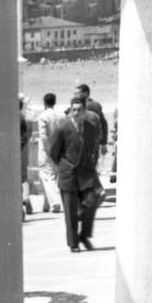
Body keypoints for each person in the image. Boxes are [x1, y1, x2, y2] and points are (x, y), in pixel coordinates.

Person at [48, 91, 102, 252]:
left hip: (86, 172)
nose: (76, 113)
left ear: (85, 111)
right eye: (74, 110)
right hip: (68, 173)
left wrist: (92, 165)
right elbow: (53, 151)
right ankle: (73, 243)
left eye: (79, 110)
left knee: (93, 199)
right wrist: (64, 165)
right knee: (70, 210)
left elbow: (94, 148)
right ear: (70, 110)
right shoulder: (62, 128)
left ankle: (84, 234)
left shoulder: (90, 128)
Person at [35, 92, 64, 214]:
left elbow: (43, 136)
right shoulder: (62, 116)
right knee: (51, 177)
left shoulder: (43, 116)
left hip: (47, 152)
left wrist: (49, 150)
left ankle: (54, 203)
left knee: (48, 177)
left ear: (44, 102)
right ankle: (46, 204)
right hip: (59, 150)